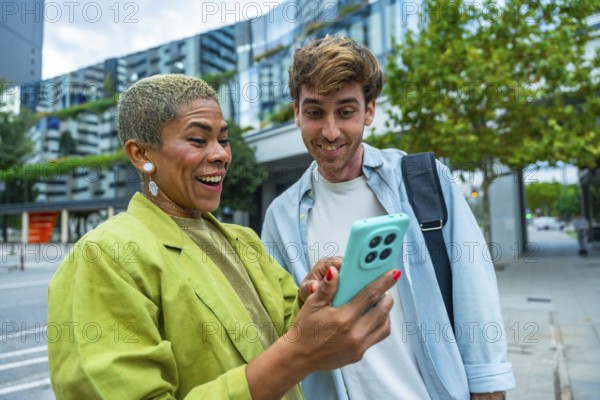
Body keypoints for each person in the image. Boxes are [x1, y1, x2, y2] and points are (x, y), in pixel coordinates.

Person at [47, 74, 401, 399]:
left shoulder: (243, 241)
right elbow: (290, 351)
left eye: (224, 139)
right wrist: (297, 354)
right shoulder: (105, 257)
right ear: (140, 154)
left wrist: (312, 300)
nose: (220, 154)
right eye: (198, 139)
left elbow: (282, 330)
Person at [261, 36, 515, 400]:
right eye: (315, 112)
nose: (330, 131)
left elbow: (475, 292)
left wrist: (488, 388)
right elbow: (280, 331)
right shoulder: (280, 216)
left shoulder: (425, 180)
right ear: (297, 114)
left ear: (369, 111)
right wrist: (304, 305)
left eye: (346, 112)